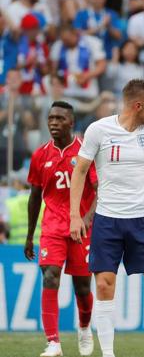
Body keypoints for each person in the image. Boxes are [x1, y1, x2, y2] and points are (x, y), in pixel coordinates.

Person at [69, 79, 144, 357]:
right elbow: (80, 171)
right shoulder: (98, 130)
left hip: (143, 220)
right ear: (137, 106)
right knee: (103, 284)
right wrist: (75, 216)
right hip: (107, 220)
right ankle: (108, 354)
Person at [25, 101, 97, 357]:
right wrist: (30, 236)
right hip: (52, 227)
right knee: (50, 276)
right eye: (51, 118)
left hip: (82, 230)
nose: (53, 123)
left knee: (83, 288)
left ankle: (85, 327)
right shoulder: (40, 155)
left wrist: (88, 218)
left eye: (59, 119)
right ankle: (53, 342)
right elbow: (34, 197)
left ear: (71, 122)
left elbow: (99, 191)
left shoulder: (86, 152)